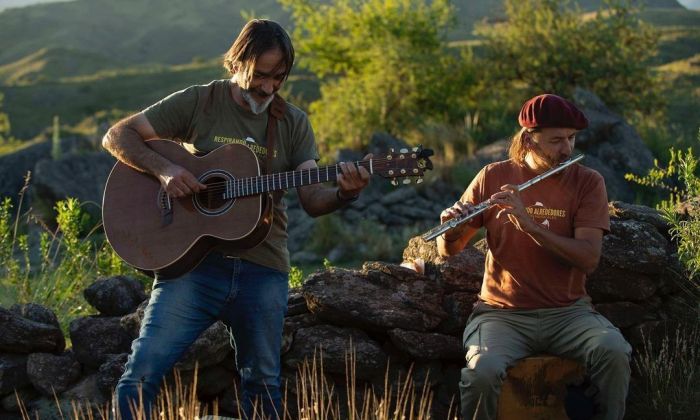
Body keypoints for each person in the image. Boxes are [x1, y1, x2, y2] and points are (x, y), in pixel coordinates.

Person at [102, 19, 371, 420]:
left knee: (262, 385)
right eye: (259, 75)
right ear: (236, 63)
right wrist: (164, 170)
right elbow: (118, 135)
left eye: (279, 77)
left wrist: (346, 191)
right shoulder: (201, 101)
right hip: (193, 265)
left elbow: (313, 199)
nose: (268, 87)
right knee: (142, 371)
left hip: (263, 269)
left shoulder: (292, 122)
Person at [437, 94, 631, 420]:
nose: (567, 149)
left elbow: (588, 258)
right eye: (556, 140)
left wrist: (530, 226)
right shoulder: (493, 176)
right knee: (482, 372)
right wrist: (450, 229)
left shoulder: (587, 182)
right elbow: (449, 251)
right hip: (501, 315)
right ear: (529, 139)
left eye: (571, 138)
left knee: (613, 352)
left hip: (569, 313)